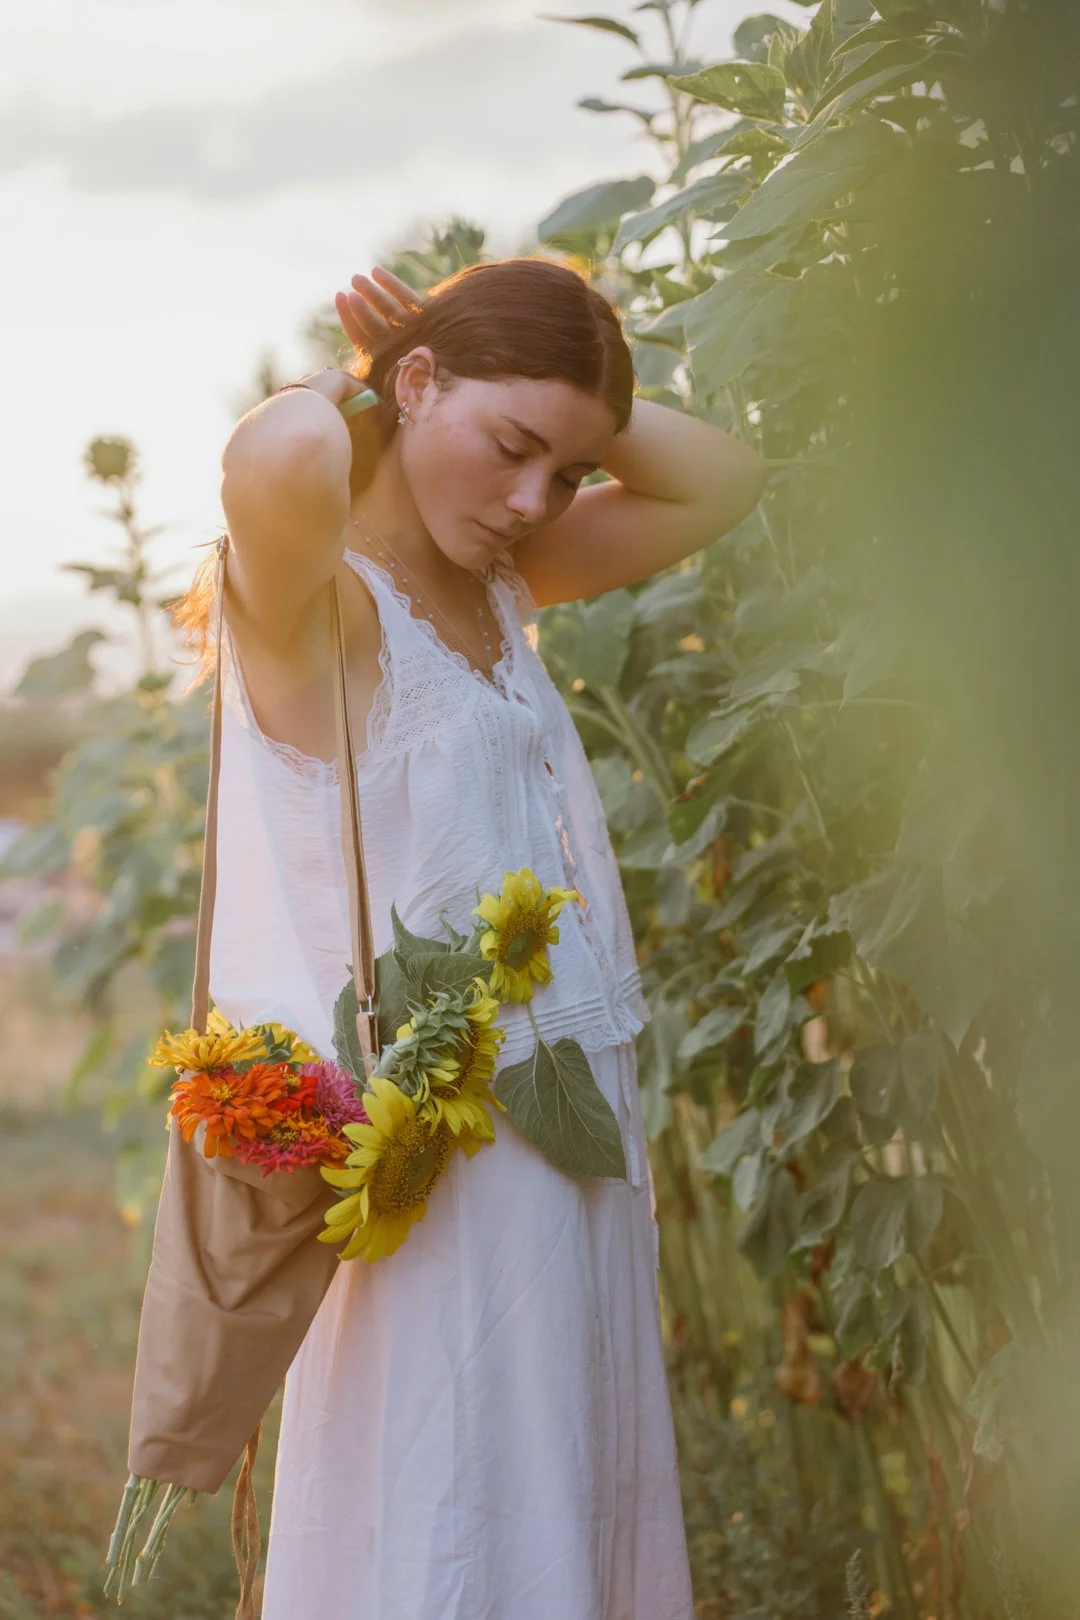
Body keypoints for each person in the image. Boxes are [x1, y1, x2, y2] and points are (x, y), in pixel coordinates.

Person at [173, 255, 766, 1620]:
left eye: (561, 475)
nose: (531, 502)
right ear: (416, 385)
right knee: (451, 1496)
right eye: (510, 451)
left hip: (569, 1120)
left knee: (564, 1478)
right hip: (444, 1155)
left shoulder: (501, 579)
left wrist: (569, 402)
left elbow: (727, 482)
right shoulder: (321, 612)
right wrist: (381, 362)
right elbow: (273, 455)